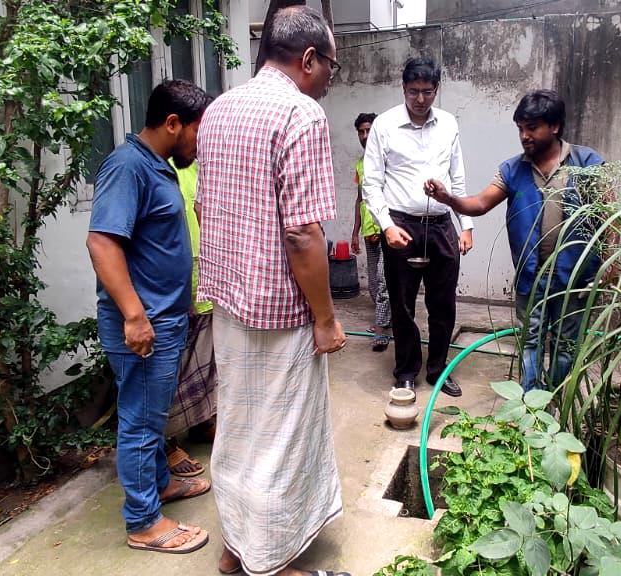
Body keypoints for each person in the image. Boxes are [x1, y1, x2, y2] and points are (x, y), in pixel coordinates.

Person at [195, 6, 349, 576]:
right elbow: (304, 233)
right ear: (308, 59)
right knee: (280, 443)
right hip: (282, 314)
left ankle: (237, 547)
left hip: (230, 304)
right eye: (330, 64)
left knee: (239, 431)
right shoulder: (300, 114)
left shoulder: (219, 110)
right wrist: (326, 318)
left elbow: (205, 205)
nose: (330, 76)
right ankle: (272, 563)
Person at [87, 80, 213, 554]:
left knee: (152, 416)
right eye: (198, 133)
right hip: (144, 327)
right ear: (173, 123)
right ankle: (143, 523)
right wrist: (135, 316)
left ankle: (159, 483)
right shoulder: (127, 167)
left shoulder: (156, 166)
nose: (200, 144)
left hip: (164, 321)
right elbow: (102, 243)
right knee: (140, 422)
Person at [424, 90, 604, 393]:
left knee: (566, 344)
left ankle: (557, 399)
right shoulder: (512, 169)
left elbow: (607, 214)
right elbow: (480, 204)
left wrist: (608, 269)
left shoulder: (587, 163)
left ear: (555, 126)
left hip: (574, 277)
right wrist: (448, 198)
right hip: (531, 277)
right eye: (520, 128)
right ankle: (531, 402)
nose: (524, 136)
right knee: (530, 339)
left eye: (532, 128)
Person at [361, 56, 474, 398]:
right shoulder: (384, 124)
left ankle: (438, 370)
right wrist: (386, 226)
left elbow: (458, 175)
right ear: (403, 88)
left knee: (443, 304)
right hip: (401, 228)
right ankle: (406, 371)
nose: (420, 99)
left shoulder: (449, 124)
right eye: (413, 92)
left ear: (436, 89)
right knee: (402, 303)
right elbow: (372, 182)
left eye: (427, 91)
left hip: (441, 226)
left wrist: (465, 225)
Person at [162, 157, 217, 478]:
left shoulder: (203, 164)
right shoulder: (164, 167)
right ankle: (167, 441)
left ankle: (199, 422)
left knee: (205, 356)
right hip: (179, 275)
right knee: (175, 361)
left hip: (205, 268)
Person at [349, 112, 391, 352]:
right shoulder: (360, 165)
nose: (365, 136)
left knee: (384, 278)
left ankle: (382, 329)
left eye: (368, 130)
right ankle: (384, 319)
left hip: (387, 228)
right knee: (374, 281)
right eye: (361, 132)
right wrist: (355, 232)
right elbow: (359, 199)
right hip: (368, 229)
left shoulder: (388, 160)